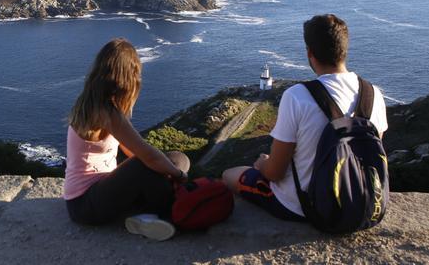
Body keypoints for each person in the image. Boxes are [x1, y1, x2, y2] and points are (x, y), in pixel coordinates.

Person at [222, 14, 388, 221]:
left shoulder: (297, 96)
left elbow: (275, 173)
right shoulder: (374, 94)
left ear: (310, 53)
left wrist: (262, 163)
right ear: (344, 51)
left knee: (229, 175)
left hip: (303, 207)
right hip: (363, 205)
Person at [64, 38, 190, 241]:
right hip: (85, 205)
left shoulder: (95, 102)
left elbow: (130, 149)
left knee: (178, 157)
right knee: (154, 164)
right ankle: (169, 213)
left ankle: (148, 214)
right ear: (126, 78)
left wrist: (162, 169)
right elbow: (146, 156)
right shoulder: (105, 112)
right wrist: (177, 175)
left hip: (104, 191)